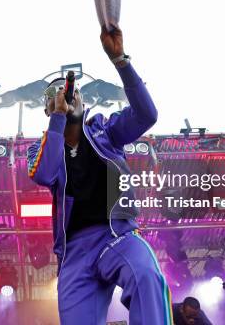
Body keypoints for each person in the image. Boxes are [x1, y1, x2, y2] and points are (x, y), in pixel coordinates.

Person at [27, 26, 173, 325]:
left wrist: (121, 60)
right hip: (75, 255)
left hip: (116, 236)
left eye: (72, 93)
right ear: (47, 108)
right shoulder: (39, 148)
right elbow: (44, 174)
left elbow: (147, 115)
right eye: (57, 95)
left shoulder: (104, 129)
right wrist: (58, 119)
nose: (68, 96)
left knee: (145, 275)